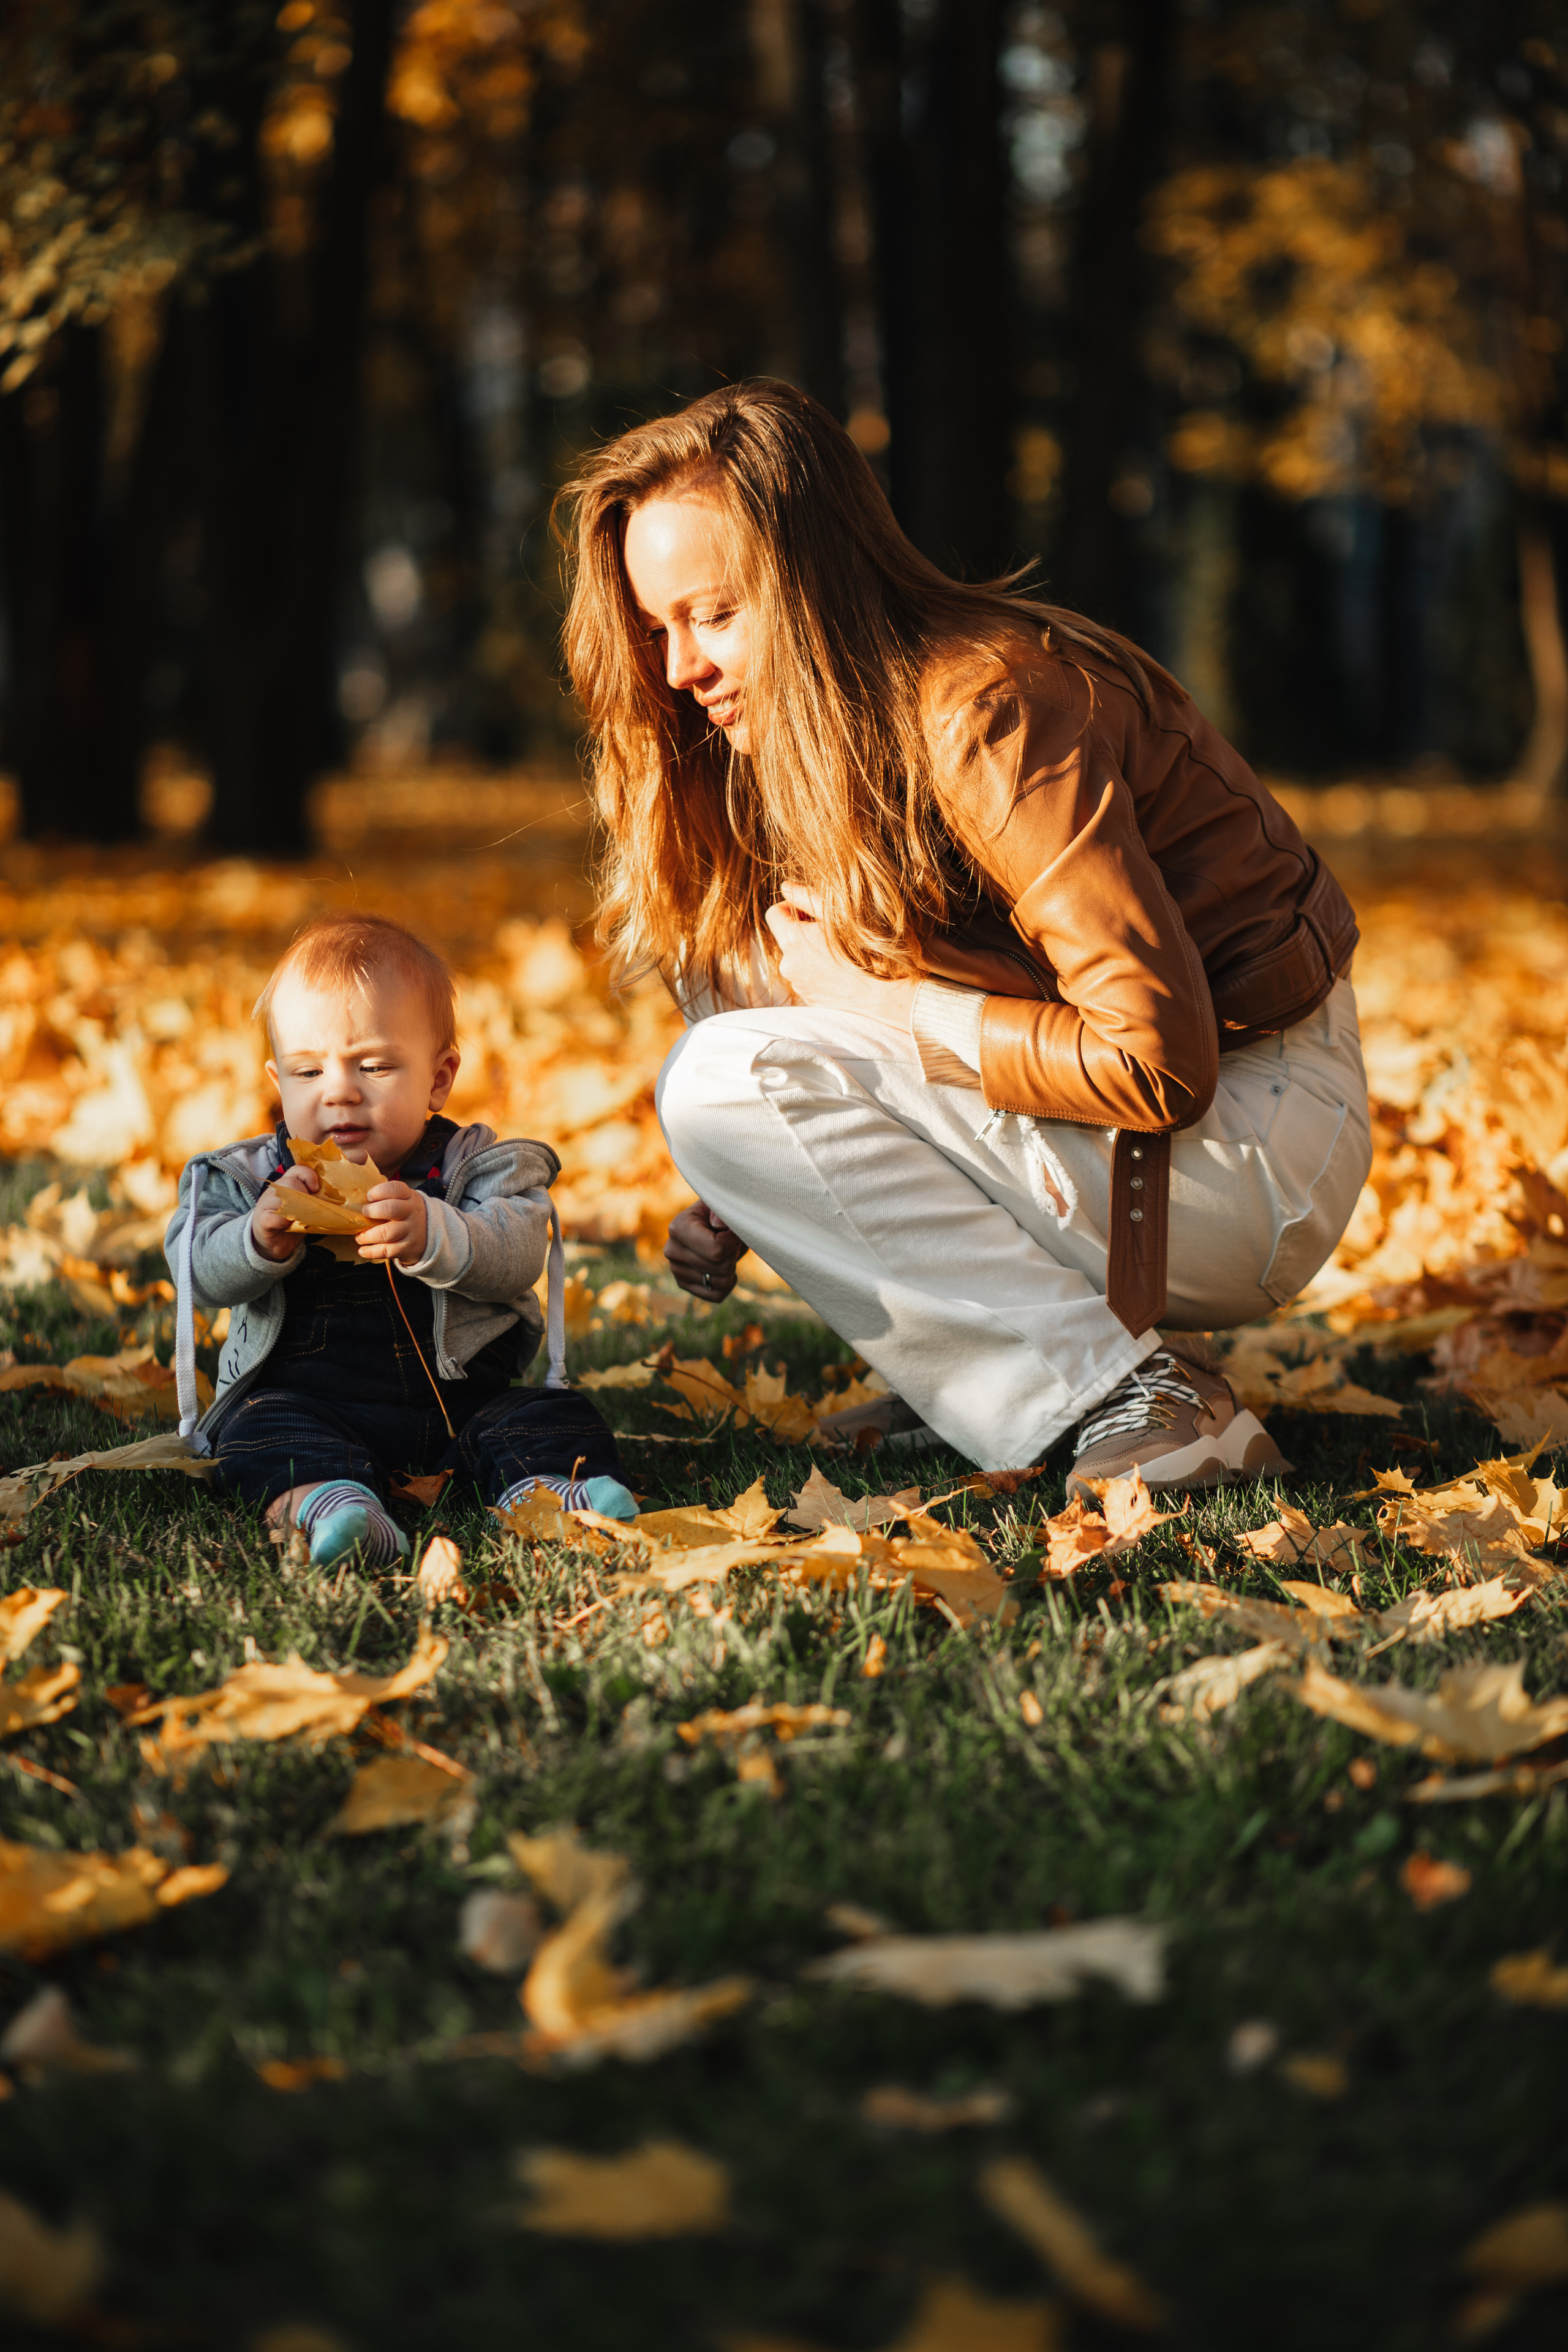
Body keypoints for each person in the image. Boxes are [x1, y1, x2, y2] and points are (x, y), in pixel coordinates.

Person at [556, 380, 1371, 1490]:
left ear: (813, 585)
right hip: (1157, 1137)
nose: (678, 670)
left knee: (724, 1075)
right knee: (736, 977)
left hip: (1258, 1131)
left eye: (714, 613)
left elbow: (1157, 1066)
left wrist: (876, 1012)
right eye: (657, 628)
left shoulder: (988, 707)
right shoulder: (825, 732)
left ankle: (1130, 1392)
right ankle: (1013, 1361)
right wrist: (760, 1179)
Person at [165, 914, 635, 1566]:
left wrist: (433, 1231)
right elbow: (196, 1271)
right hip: (311, 1405)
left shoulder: (475, 1167)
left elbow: (518, 1251)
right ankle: (338, 1509)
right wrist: (257, 1238)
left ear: (439, 1079)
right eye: (307, 1074)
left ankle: (552, 1496)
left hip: (461, 1407)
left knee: (548, 1418)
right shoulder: (251, 1179)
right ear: (277, 1083)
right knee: (254, 1433)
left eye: (375, 1066)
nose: (340, 1093)